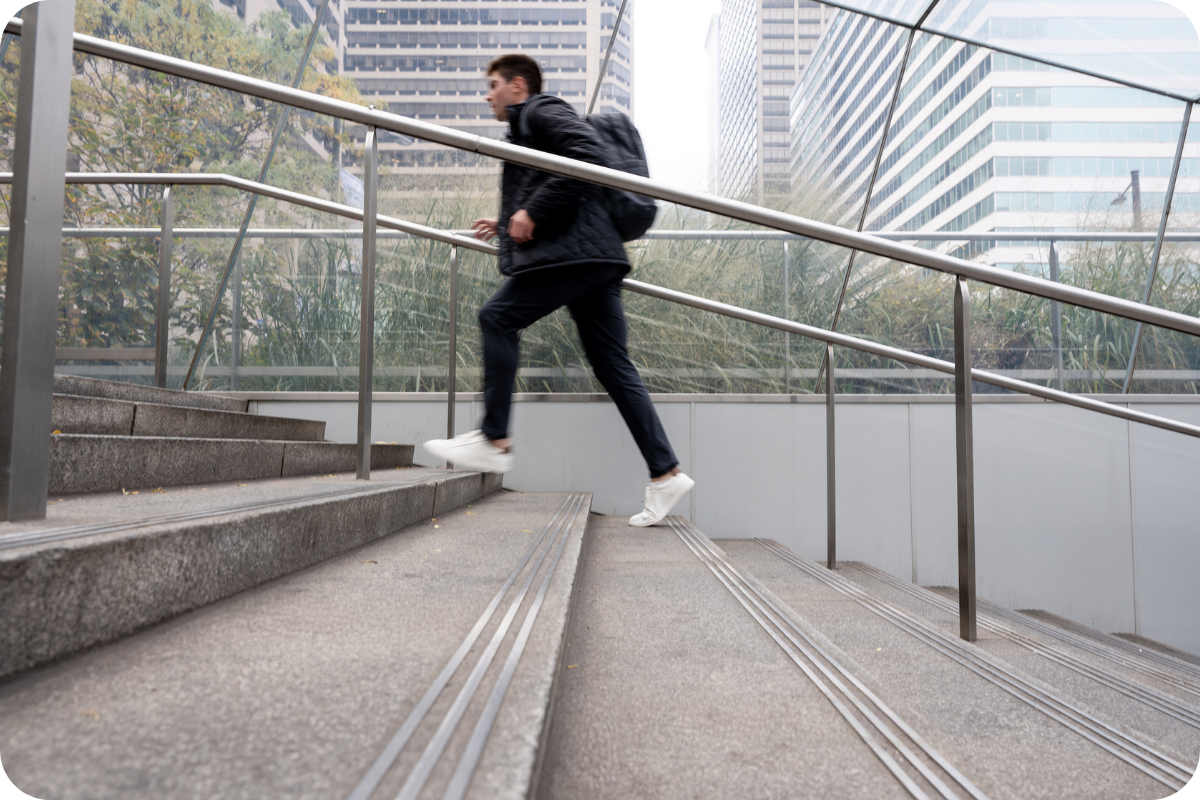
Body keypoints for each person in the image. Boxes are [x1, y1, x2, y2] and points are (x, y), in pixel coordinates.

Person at [423, 54, 694, 528]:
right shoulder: (529, 124)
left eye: (493, 85)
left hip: (577, 256)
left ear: (518, 86)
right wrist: (512, 221)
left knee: (497, 317)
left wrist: (533, 214)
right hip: (595, 256)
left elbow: (585, 156)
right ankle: (666, 473)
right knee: (613, 365)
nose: (488, 95)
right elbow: (556, 182)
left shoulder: (539, 111)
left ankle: (494, 439)